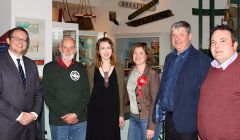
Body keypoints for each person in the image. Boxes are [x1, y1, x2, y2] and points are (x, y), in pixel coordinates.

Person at [153, 21, 211, 140]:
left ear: (189, 36)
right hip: (169, 120)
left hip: (189, 124)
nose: (177, 38)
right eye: (174, 35)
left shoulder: (203, 61)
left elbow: (207, 97)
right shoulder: (169, 58)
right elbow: (164, 86)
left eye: (181, 34)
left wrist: (203, 128)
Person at [197, 25, 240, 140]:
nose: (217, 46)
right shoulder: (212, 68)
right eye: (213, 42)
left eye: (223, 41)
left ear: (235, 45)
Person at [43, 36, 90, 140]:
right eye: (65, 47)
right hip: (58, 121)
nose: (68, 51)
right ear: (60, 48)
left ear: (75, 49)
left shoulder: (81, 68)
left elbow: (86, 94)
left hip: (79, 120)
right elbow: (47, 96)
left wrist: (75, 114)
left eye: (71, 47)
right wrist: (65, 115)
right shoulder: (49, 68)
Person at [0, 27, 43, 140]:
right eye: (17, 38)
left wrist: (34, 114)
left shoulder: (31, 64)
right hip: (7, 126)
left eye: (24, 40)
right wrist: (19, 115)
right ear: (8, 41)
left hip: (30, 127)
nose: (21, 42)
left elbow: (38, 93)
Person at [86, 37, 125, 140]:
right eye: (103, 48)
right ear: (98, 51)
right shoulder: (91, 69)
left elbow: (122, 93)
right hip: (95, 113)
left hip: (113, 113)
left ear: (112, 50)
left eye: (109, 48)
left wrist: (121, 114)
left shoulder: (119, 68)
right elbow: (88, 93)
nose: (106, 51)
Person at [126, 43, 161, 140]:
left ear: (146, 56)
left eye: (141, 53)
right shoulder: (131, 70)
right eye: (135, 53)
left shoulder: (152, 74)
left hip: (147, 119)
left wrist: (151, 127)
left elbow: (156, 102)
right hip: (133, 117)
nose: (137, 56)